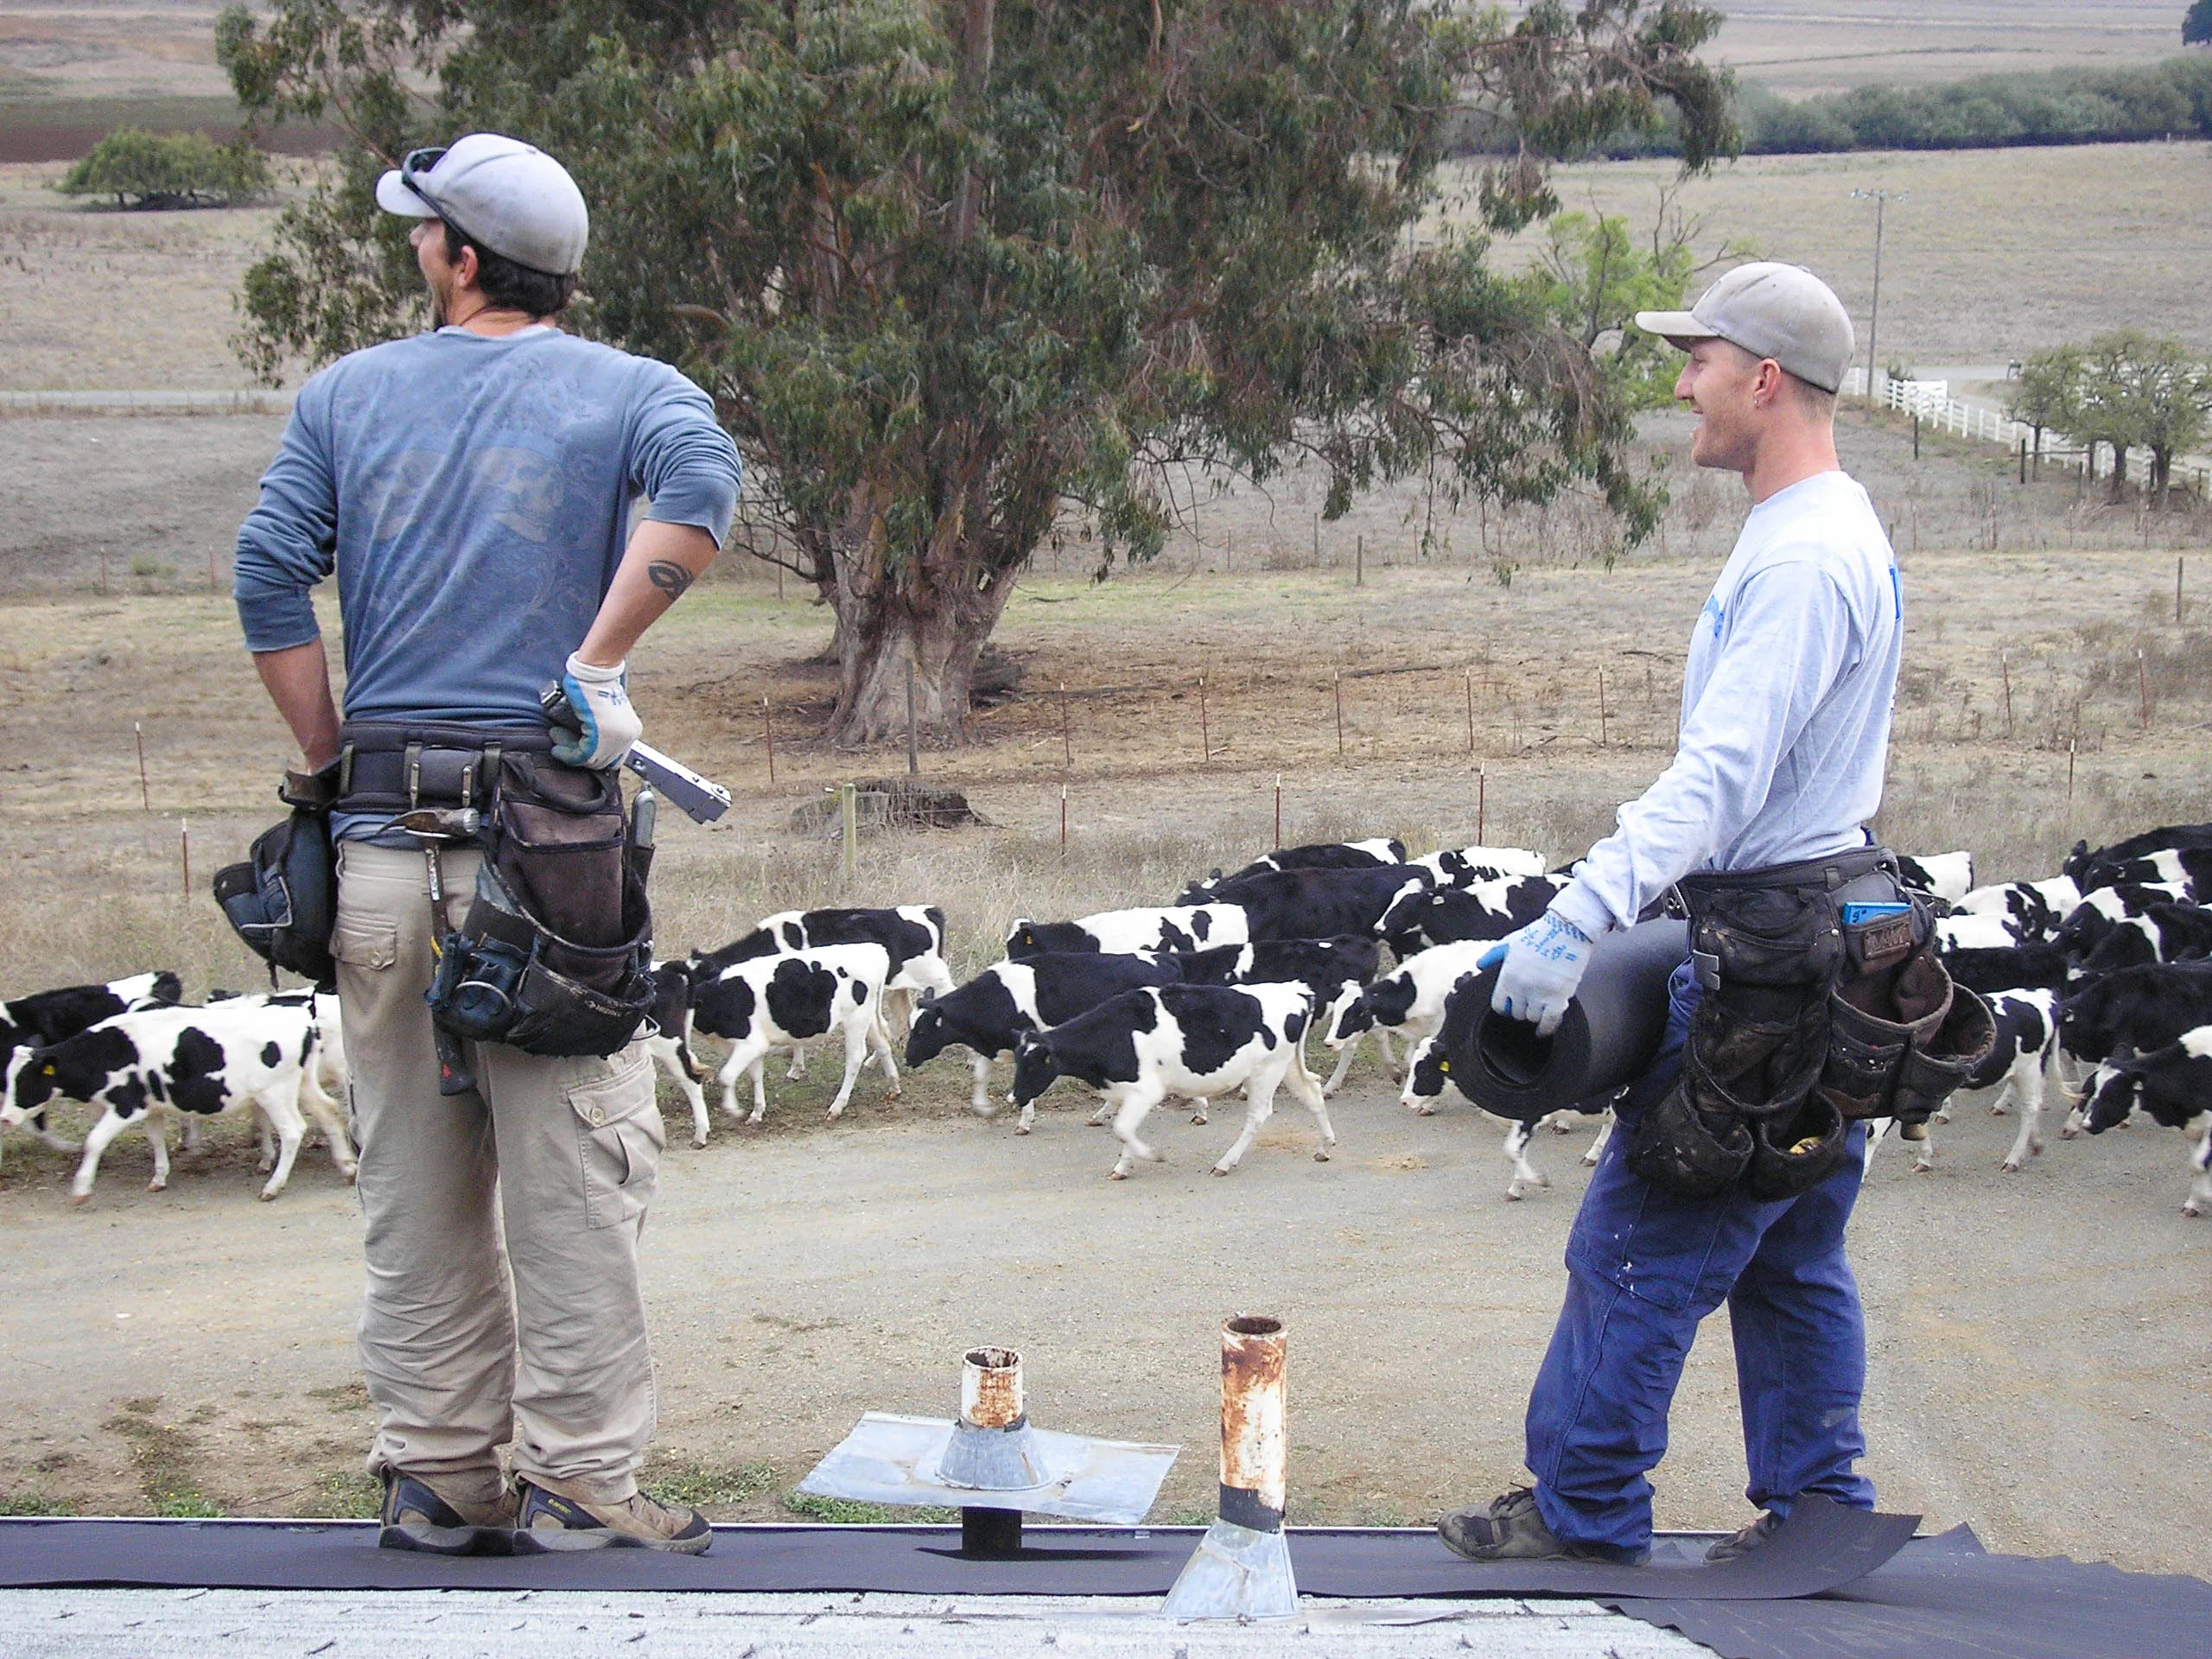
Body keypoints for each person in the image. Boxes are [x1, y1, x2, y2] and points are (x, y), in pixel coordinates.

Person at [233, 133, 742, 1554]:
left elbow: (267, 570)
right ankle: (583, 1481)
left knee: (410, 1173)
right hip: (552, 864)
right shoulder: (639, 392)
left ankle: (439, 1474)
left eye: (423, 235)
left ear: (460, 259)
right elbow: (701, 498)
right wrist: (597, 660)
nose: (416, 252)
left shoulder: (344, 396)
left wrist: (335, 765)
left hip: (382, 852)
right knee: (577, 1175)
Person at [1440, 262, 1923, 1567]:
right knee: (1791, 1248)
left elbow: (1721, 777)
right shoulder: (1821, 523)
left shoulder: (1809, 560)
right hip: (1841, 931)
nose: (1680, 383)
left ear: (1763, 379)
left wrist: (1576, 918)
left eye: (1697, 360)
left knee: (1638, 1246)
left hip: (1771, 957)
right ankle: (1821, 1507)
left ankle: (1587, 1512)